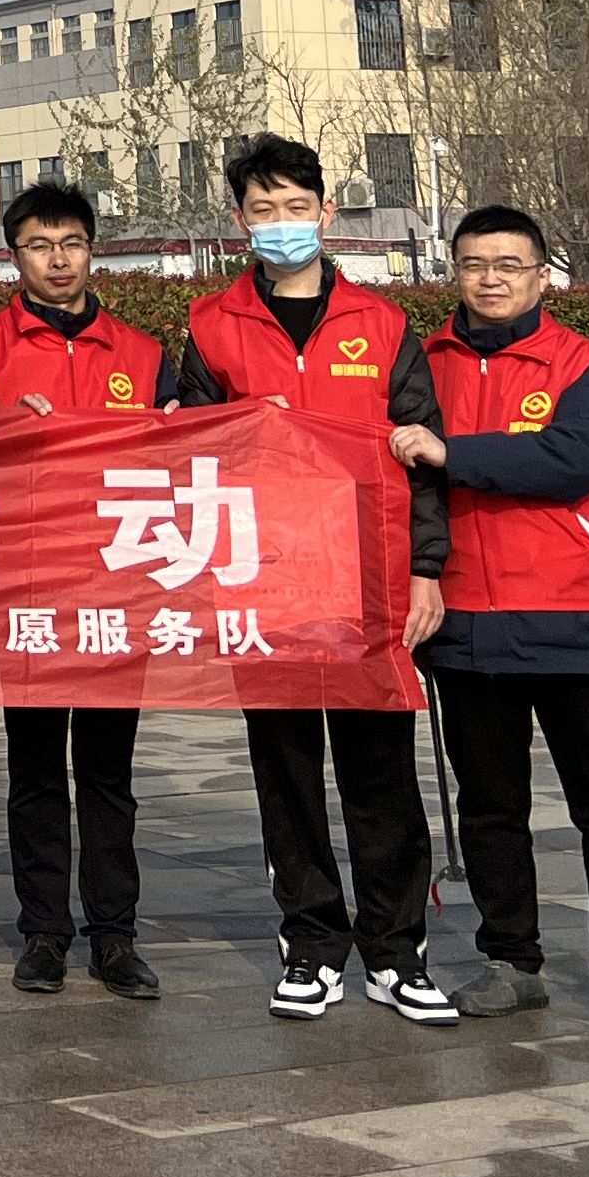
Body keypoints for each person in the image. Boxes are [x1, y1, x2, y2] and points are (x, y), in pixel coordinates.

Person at [175, 135, 454, 1026]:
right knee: (286, 770)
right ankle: (311, 943)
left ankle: (397, 951)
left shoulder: (383, 323)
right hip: (266, 583)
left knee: (381, 772)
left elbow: (424, 458)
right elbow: (188, 452)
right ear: (239, 221)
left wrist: (426, 571)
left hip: (369, 581)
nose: (282, 223)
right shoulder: (210, 326)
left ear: (327, 213)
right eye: (264, 210)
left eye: (297, 207)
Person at [391, 205, 589, 1042]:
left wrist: (453, 454)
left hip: (575, 616)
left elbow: (575, 460)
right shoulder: (422, 362)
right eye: (475, 263)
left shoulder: (587, 365)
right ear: (455, 272)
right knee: (489, 805)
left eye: (509, 264)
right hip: (467, 618)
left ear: (543, 276)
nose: (491, 278)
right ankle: (512, 960)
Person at [0, 179, 165, 1000]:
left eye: (71, 243)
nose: (58, 260)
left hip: (117, 593)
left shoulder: (142, 353)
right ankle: (44, 932)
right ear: (15, 257)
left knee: (109, 774)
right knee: (37, 770)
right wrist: (1, 428)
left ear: (92, 250)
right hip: (29, 590)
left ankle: (116, 936)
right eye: (40, 246)